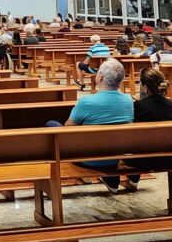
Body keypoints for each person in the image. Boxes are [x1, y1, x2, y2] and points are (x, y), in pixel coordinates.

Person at [47, 58, 133, 194]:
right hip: (115, 155)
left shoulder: (86, 102)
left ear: (100, 77)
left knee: (52, 125)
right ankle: (110, 179)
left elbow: (67, 131)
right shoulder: (129, 100)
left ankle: (64, 174)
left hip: (89, 159)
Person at [118, 67, 172, 192]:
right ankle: (132, 180)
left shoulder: (138, 106)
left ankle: (131, 180)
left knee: (133, 142)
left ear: (145, 87)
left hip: (144, 160)